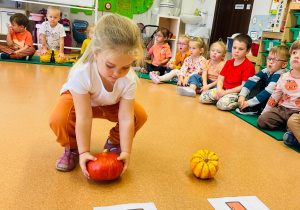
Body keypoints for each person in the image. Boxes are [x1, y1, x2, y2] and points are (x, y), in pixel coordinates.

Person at [49, 14, 148, 178]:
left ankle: (113, 143)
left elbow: (126, 119)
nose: (117, 74)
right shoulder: (81, 73)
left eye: (126, 67)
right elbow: (84, 117)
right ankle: (72, 148)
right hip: (80, 102)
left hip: (110, 103)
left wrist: (126, 151)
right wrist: (84, 152)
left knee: (139, 115)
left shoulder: (129, 79)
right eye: (110, 66)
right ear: (96, 53)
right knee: (59, 118)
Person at [257, 40, 300, 147]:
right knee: (262, 120)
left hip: (297, 113)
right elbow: (274, 97)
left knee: (294, 122)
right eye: (294, 53)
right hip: (282, 110)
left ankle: (292, 132)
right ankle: (290, 131)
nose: (296, 56)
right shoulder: (284, 77)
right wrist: (265, 112)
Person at [200, 34, 255, 110]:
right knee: (203, 98)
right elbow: (220, 79)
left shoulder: (249, 66)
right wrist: (219, 90)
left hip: (236, 93)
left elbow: (243, 86)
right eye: (234, 48)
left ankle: (237, 104)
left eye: (241, 49)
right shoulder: (228, 62)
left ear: (248, 51)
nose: (236, 51)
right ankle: (220, 99)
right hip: (223, 89)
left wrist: (225, 93)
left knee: (221, 105)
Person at [236, 45, 289, 115]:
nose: (271, 62)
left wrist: (249, 103)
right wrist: (242, 95)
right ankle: (253, 107)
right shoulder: (266, 71)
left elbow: (268, 91)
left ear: (284, 64)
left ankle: (253, 107)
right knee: (256, 81)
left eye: (276, 60)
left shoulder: (281, 74)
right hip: (266, 100)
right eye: (269, 58)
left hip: (277, 104)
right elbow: (251, 80)